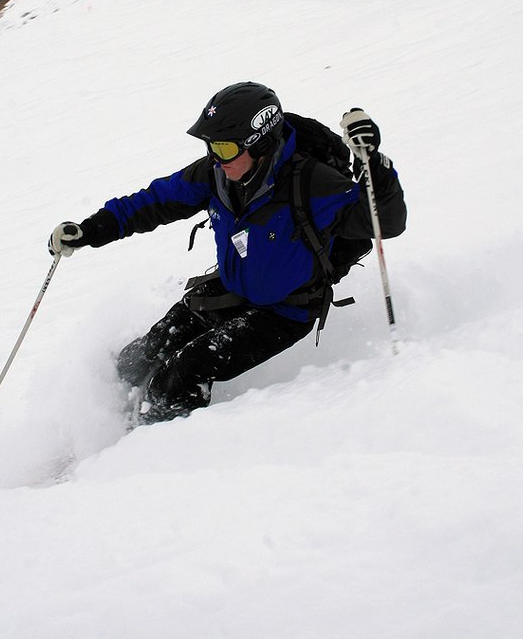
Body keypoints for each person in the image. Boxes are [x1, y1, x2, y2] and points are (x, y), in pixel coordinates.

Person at [48, 82, 407, 423]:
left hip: (285, 311)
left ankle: (151, 451)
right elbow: (154, 202)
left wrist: (375, 167)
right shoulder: (217, 174)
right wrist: (90, 230)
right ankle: (103, 424)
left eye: (225, 149)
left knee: (183, 372)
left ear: (260, 144)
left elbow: (384, 221)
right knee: (141, 354)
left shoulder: (311, 183)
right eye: (211, 148)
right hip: (233, 288)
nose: (216, 159)